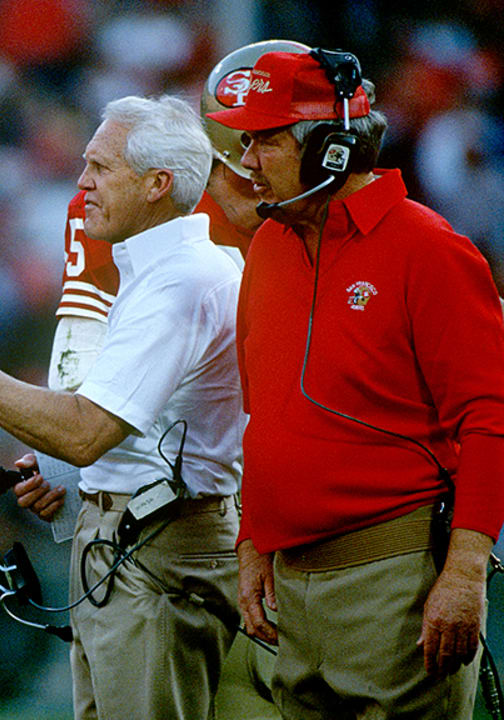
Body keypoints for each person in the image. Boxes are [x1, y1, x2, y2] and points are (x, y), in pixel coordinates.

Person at [0, 94, 245, 720]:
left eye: (101, 167)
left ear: (156, 184)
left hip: (160, 545)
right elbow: (133, 430)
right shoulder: (161, 270)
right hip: (131, 536)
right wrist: (67, 474)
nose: (82, 182)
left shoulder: (179, 280)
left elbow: (87, 430)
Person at [208, 49, 504, 718]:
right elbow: (264, 417)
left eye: (266, 139)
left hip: (392, 586)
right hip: (290, 590)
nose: (247, 159)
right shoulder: (272, 246)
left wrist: (463, 573)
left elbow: (488, 416)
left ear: (331, 151)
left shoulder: (430, 248)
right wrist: (253, 544)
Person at [45, 39, 311, 720]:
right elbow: (86, 350)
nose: (252, 167)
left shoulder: (294, 226)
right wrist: (52, 465)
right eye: (239, 144)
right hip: (146, 510)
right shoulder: (119, 212)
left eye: (263, 140)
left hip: (227, 514)